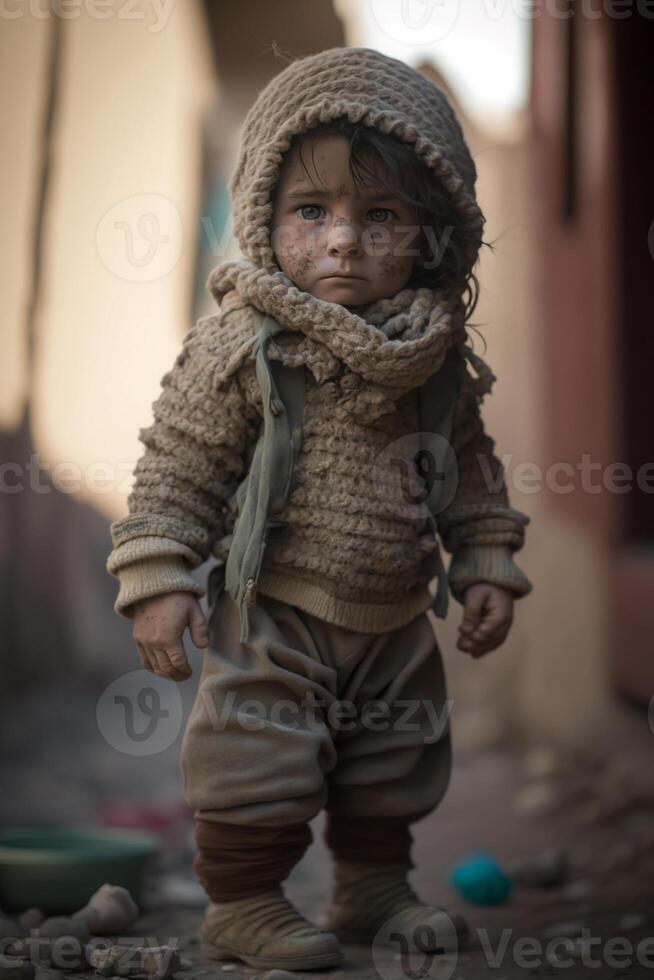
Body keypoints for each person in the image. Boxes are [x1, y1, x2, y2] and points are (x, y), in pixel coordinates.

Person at [106, 46, 533, 971]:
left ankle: (371, 888)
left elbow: (469, 467)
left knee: (393, 759)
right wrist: (157, 575)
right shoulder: (246, 348)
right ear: (265, 217)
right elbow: (180, 464)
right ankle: (247, 904)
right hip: (277, 611)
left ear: (435, 234)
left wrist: (486, 559)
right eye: (313, 212)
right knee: (255, 756)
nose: (344, 241)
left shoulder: (435, 358)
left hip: (393, 615)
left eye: (380, 216)